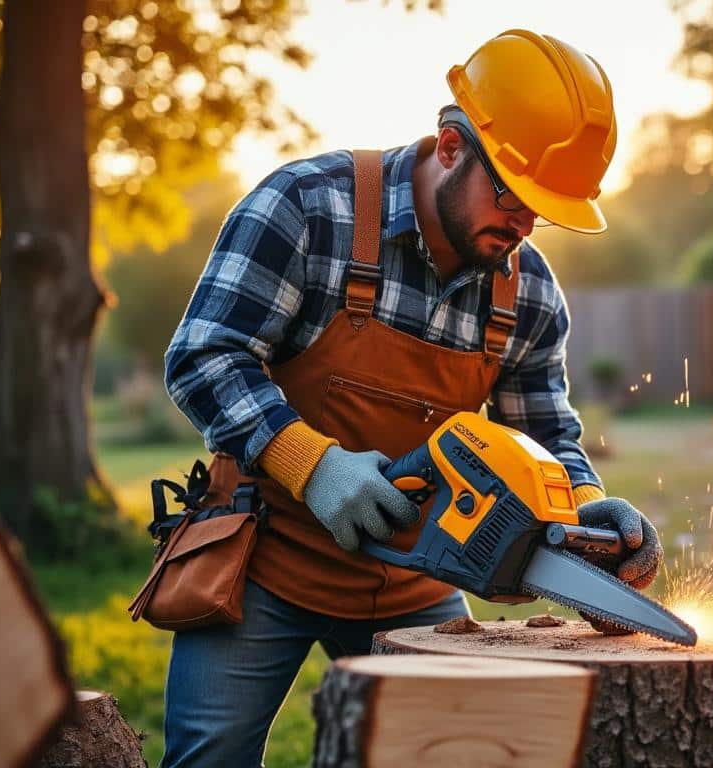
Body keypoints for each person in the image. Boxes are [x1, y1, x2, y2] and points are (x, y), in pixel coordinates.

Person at [160, 29, 661, 767]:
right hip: (264, 556)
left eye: (541, 211)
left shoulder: (530, 295)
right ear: (451, 146)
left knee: (460, 753)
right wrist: (316, 466)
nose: (523, 227)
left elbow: (546, 429)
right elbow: (203, 354)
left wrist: (583, 510)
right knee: (211, 754)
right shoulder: (306, 208)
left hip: (415, 578)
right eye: (513, 197)